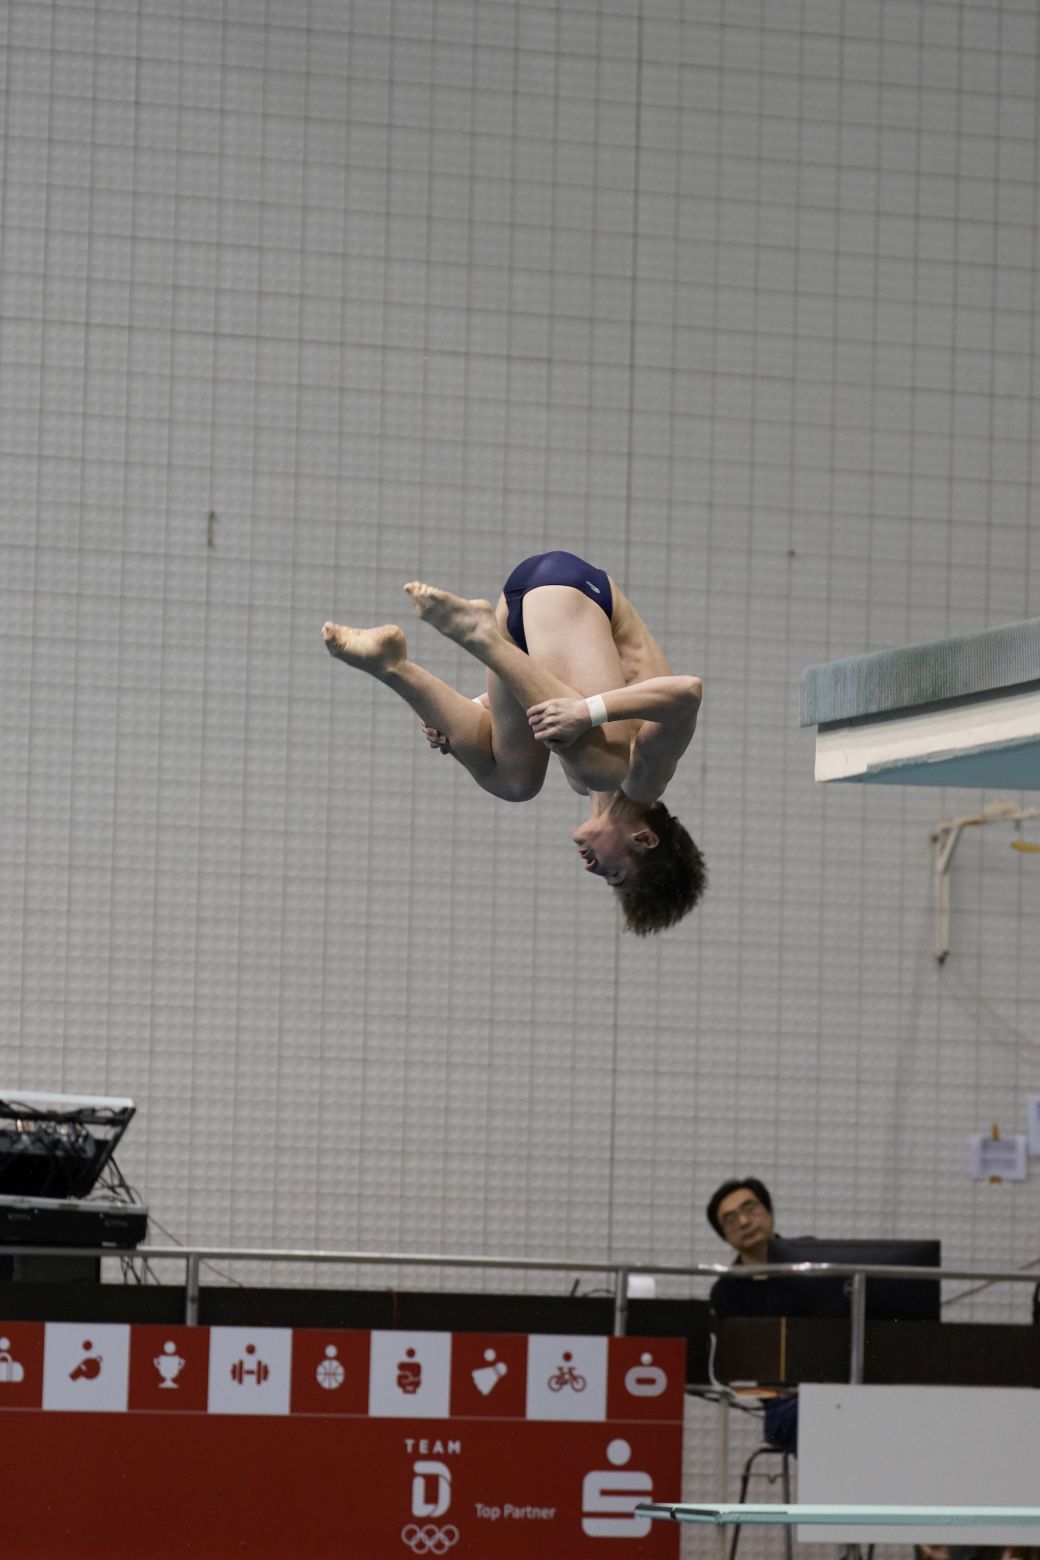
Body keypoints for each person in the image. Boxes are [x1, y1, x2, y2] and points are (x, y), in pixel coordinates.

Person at [322, 550, 707, 934]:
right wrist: (587, 712)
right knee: (604, 767)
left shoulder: (590, 781)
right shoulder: (646, 777)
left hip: (521, 620)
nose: (592, 868)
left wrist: (461, 715)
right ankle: (479, 635)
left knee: (516, 782)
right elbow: (687, 692)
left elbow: (543, 688)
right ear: (644, 839)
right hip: (569, 593)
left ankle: (391, 665)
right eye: (614, 874)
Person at [706, 1177, 799, 1454]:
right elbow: (739, 1365)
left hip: (842, 1391)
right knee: (815, 1417)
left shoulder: (812, 1263)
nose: (744, 1222)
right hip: (783, 1403)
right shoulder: (726, 1291)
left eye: (750, 1209)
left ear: (769, 1212)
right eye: (731, 1220)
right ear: (725, 1236)